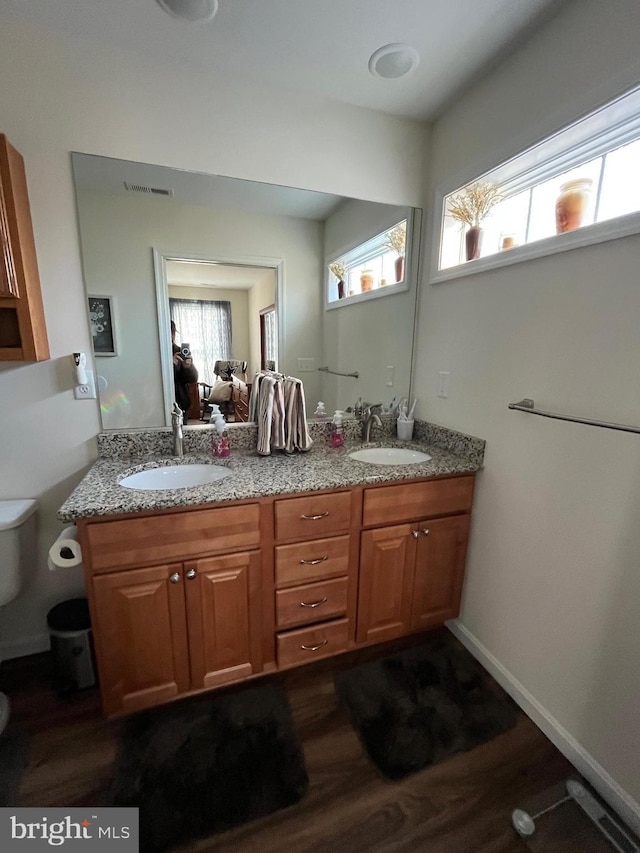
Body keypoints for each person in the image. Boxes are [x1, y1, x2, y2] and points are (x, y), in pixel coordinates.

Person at [171, 321, 198, 423]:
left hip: (181, 404)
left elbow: (193, 379)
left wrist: (188, 367)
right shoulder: (154, 353)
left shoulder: (180, 352)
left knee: (182, 434)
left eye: (173, 333)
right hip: (160, 404)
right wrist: (171, 365)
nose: (171, 336)